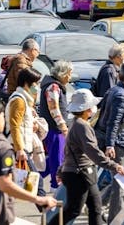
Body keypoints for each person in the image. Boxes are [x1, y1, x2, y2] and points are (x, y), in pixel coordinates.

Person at [0, 98, 57, 225]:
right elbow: (5, 184)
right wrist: (38, 199)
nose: (4, 120)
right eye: (3, 116)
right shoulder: (1, 148)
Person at [48, 89, 124, 225]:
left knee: (95, 208)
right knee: (74, 209)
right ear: (87, 109)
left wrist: (61, 169)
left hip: (84, 173)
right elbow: (92, 151)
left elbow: (70, 150)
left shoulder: (76, 123)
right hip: (79, 174)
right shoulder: (81, 126)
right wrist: (114, 165)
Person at [97, 61, 124, 223]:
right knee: (121, 184)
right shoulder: (122, 96)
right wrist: (110, 144)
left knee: (122, 180)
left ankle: (99, 204)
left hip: (118, 143)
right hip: (118, 144)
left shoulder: (114, 90)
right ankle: (116, 220)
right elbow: (113, 122)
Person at [5, 67, 46, 205]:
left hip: (22, 146)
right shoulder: (19, 100)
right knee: (35, 181)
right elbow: (14, 125)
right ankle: (48, 211)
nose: (37, 87)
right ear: (27, 83)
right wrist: (20, 149)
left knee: (28, 182)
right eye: (36, 83)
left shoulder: (24, 100)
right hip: (19, 148)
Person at [38, 60, 73, 190]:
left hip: (55, 128)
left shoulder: (55, 85)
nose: (70, 77)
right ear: (63, 74)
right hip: (54, 128)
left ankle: (34, 178)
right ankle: (55, 185)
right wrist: (63, 126)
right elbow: (54, 109)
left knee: (55, 157)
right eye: (69, 73)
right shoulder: (53, 87)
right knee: (57, 159)